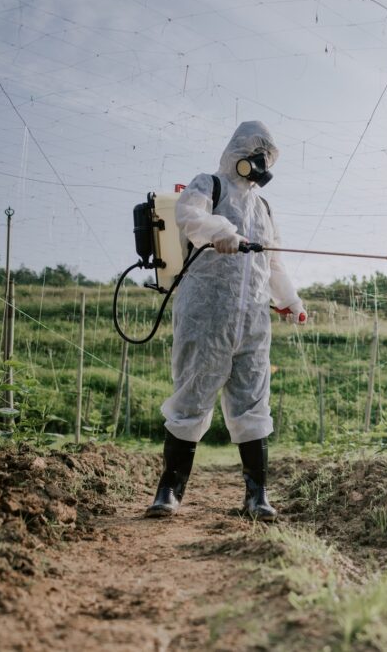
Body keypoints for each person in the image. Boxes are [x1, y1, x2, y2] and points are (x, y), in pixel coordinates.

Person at [146, 121, 306, 521]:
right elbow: (189, 216)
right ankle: (169, 490)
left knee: (253, 401)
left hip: (252, 319)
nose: (260, 165)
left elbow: (273, 262)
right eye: (257, 156)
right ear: (240, 152)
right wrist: (223, 231)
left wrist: (290, 300)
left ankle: (257, 495)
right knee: (191, 397)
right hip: (206, 315)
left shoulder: (264, 208)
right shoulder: (209, 185)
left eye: (267, 160)